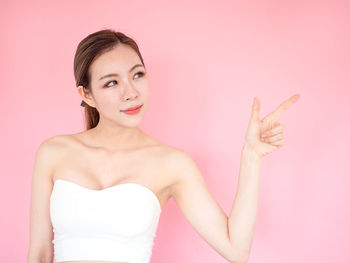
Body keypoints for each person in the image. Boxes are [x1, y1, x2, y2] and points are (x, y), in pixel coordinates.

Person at [27, 28, 300, 263]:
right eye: (112, 82)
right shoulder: (53, 153)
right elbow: (39, 254)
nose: (131, 92)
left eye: (137, 75)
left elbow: (236, 249)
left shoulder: (172, 164)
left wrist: (251, 157)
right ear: (86, 95)